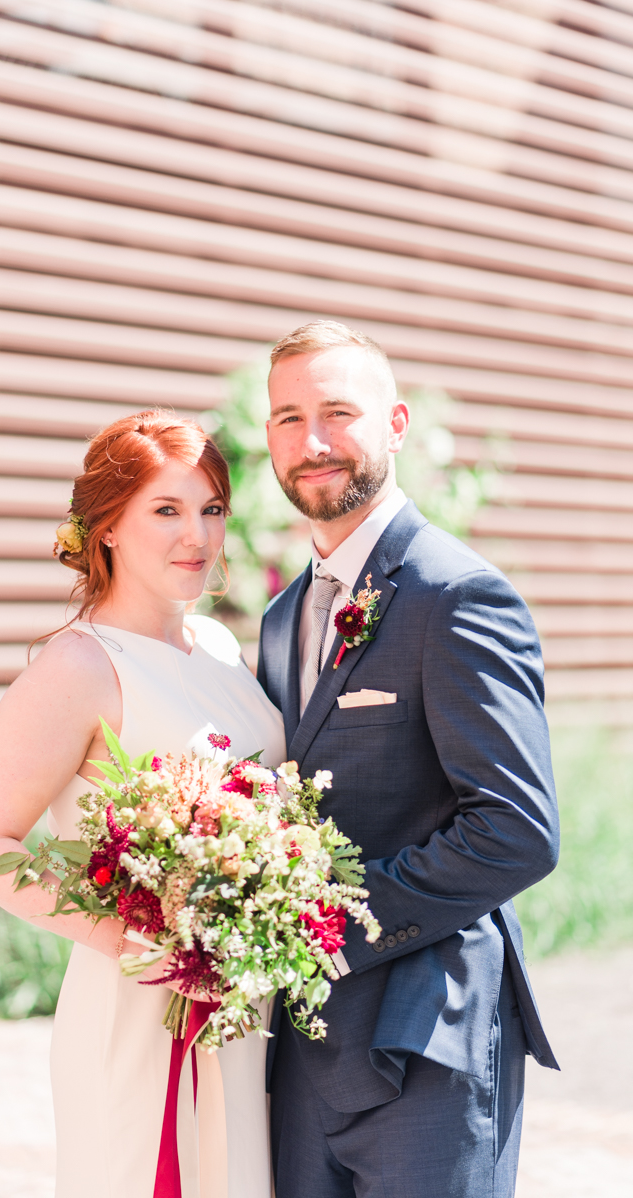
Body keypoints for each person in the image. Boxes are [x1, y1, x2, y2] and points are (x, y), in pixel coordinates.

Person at [258, 320, 560, 1198]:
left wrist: (323, 928)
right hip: (305, 1045)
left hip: (427, 1036)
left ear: (394, 425)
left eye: (336, 412)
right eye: (286, 418)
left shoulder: (457, 594)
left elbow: (516, 833)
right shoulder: (281, 619)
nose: (310, 443)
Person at [0, 411, 284, 1198]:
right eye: (164, 511)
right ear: (105, 528)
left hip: (240, 1006)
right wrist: (142, 942)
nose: (195, 535)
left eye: (209, 509)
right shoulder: (77, 666)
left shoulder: (220, 648)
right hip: (141, 1008)